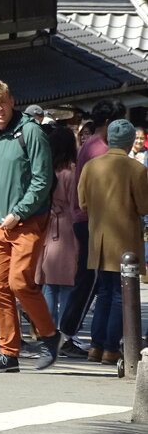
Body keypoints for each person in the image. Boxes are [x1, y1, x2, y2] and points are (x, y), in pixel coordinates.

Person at [0, 79, 62, 373]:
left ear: (12, 101)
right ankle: (8, 354)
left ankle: (50, 336)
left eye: (3, 102)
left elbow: (43, 179)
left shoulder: (30, 132)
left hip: (27, 220)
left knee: (19, 282)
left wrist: (18, 211)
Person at [77, 119, 148, 365]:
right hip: (125, 239)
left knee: (105, 293)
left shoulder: (91, 167)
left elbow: (82, 203)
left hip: (98, 239)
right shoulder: (136, 169)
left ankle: (95, 346)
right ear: (130, 142)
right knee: (121, 295)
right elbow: (144, 206)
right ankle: (110, 347)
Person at [60, 99, 126, 357]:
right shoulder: (101, 150)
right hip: (91, 220)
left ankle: (88, 338)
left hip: (84, 217)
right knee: (90, 282)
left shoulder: (91, 144)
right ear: (108, 123)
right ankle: (68, 334)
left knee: (92, 281)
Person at [35, 125, 79, 325]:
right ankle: (64, 330)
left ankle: (46, 328)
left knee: (49, 283)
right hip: (66, 227)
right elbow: (76, 202)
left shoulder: (43, 168)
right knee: (67, 284)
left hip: (45, 224)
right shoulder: (72, 171)